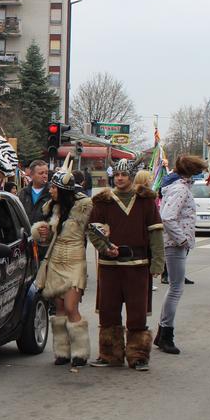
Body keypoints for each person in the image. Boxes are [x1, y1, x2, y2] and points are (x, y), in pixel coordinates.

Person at [86, 159, 165, 371]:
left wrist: (158, 262)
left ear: (131, 176)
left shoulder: (145, 201)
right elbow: (93, 230)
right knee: (108, 310)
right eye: (117, 175)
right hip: (110, 265)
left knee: (137, 312)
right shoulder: (103, 201)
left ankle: (138, 355)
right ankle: (110, 354)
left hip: (137, 264)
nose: (120, 179)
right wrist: (105, 247)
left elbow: (155, 233)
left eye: (124, 175)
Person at [33, 169, 93, 369]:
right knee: (58, 308)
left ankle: (81, 352)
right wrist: (42, 232)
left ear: (63, 190)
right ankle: (62, 351)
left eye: (54, 187)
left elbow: (96, 230)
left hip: (75, 259)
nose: (50, 190)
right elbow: (48, 238)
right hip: (56, 259)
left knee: (70, 307)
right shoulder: (53, 208)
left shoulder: (84, 207)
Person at [155, 155, 207, 355]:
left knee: (175, 288)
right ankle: (166, 334)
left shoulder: (176, 186)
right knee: (176, 289)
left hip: (174, 242)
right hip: (174, 244)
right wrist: (182, 240)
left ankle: (163, 332)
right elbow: (167, 217)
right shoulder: (180, 189)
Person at [18, 160, 52, 226]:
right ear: (31, 175)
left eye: (46, 173)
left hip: (45, 234)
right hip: (26, 234)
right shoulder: (22, 193)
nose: (45, 176)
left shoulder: (52, 192)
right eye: (41, 173)